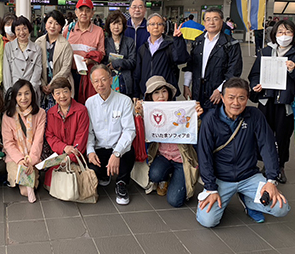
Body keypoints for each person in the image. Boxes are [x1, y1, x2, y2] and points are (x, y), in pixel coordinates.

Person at [196, 78, 290, 227]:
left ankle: (249, 201)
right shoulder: (210, 119)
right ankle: (223, 200)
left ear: (247, 98)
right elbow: (204, 154)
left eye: (241, 98)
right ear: (222, 98)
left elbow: (268, 146)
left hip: (249, 176)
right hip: (221, 179)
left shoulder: (255, 115)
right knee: (208, 220)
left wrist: (271, 180)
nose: (236, 103)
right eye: (231, 97)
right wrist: (210, 187)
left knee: (281, 208)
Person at [249, 20, 295, 183]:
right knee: (264, 133)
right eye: (280, 32)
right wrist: (255, 85)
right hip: (266, 100)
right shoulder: (265, 52)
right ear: (274, 34)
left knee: (283, 136)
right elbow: (254, 74)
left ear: (294, 35)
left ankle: (280, 165)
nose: (284, 36)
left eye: (288, 32)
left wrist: (293, 70)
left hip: (287, 102)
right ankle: (265, 164)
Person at [137, 76, 202, 207]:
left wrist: (197, 117)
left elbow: (195, 131)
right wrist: (138, 113)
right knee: (154, 175)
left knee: (175, 201)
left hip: (181, 159)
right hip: (163, 156)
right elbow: (139, 132)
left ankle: (178, 178)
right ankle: (164, 178)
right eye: (156, 92)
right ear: (150, 96)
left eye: (164, 91)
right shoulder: (149, 112)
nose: (161, 96)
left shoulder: (181, 109)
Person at [86, 64, 136, 205]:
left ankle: (121, 183)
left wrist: (117, 154)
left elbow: (129, 131)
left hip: (118, 148)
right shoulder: (90, 103)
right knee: (92, 168)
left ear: (111, 79)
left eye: (103, 79)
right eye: (96, 81)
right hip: (100, 148)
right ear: (92, 83)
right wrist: (90, 152)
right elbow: (89, 132)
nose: (100, 84)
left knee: (129, 152)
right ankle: (103, 174)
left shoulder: (124, 101)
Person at [183, 8, 243, 111]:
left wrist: (221, 90)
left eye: (215, 19)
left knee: (217, 123)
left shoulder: (231, 44)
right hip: (198, 90)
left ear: (222, 21)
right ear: (204, 22)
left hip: (217, 93)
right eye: (208, 19)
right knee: (198, 121)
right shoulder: (198, 41)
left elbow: (234, 71)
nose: (211, 22)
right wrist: (186, 85)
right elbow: (191, 65)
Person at [2, 80, 46, 203]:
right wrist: (21, 160)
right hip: (15, 157)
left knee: (30, 186)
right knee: (24, 190)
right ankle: (27, 183)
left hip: (33, 156)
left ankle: (29, 182)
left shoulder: (40, 113)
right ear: (15, 97)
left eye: (27, 93)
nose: (23, 98)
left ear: (32, 94)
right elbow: (8, 143)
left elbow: (38, 140)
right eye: (19, 94)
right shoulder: (8, 115)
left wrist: (31, 160)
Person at [44, 77, 89, 189]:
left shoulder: (81, 110)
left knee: (73, 184)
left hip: (75, 156)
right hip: (59, 153)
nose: (62, 96)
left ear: (71, 92)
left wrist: (70, 157)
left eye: (65, 91)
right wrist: (64, 148)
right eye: (57, 93)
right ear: (53, 96)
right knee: (51, 183)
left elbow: (81, 138)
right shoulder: (51, 112)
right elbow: (50, 135)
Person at [134, 13, 188, 99]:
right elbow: (137, 73)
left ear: (163, 28)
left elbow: (181, 59)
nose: (156, 27)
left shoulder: (170, 45)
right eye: (152, 24)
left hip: (166, 94)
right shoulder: (143, 49)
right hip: (148, 93)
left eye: (159, 24)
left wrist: (178, 40)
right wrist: (136, 94)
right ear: (148, 28)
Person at [63, 0, 105, 104]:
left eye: (87, 10)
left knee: (87, 104)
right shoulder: (68, 30)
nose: (84, 13)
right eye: (81, 10)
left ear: (92, 13)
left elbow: (102, 53)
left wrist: (90, 61)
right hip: (70, 74)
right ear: (76, 12)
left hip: (88, 75)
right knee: (69, 103)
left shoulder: (98, 31)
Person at [35, 10, 74, 108]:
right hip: (42, 87)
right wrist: (43, 84)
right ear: (45, 23)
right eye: (50, 22)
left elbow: (66, 68)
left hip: (60, 86)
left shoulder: (65, 45)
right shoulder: (38, 42)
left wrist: (52, 85)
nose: (52, 26)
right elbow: (35, 65)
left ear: (61, 27)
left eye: (57, 24)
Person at [3, 15, 43, 102]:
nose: (21, 32)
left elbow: (37, 71)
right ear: (14, 31)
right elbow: (6, 71)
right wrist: (10, 90)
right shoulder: (8, 47)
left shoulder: (37, 48)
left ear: (29, 30)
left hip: (31, 91)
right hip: (13, 91)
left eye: (24, 28)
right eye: (18, 29)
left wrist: (29, 91)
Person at [103, 11, 136, 97]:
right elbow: (102, 61)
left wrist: (116, 63)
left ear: (124, 26)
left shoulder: (129, 42)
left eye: (119, 24)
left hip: (125, 81)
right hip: (109, 80)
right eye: (113, 24)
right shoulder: (104, 42)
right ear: (109, 25)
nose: (116, 27)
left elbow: (133, 62)